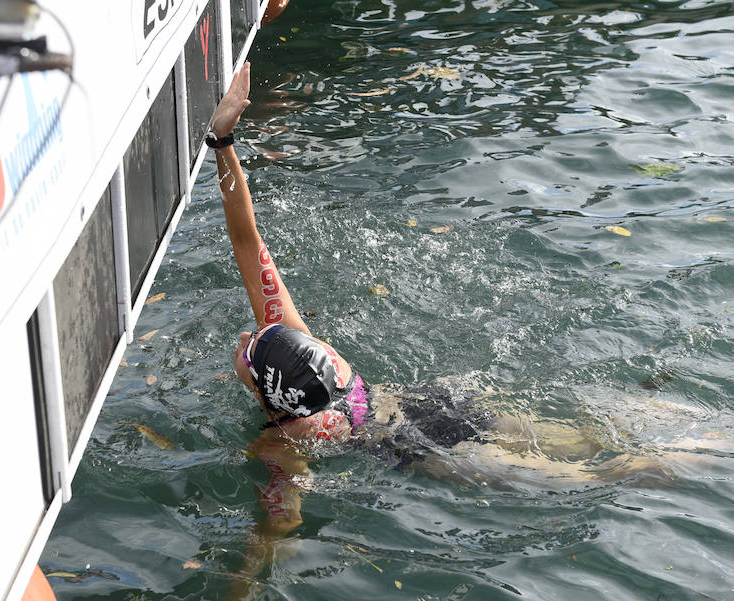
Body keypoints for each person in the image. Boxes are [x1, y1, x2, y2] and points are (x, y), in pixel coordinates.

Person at [208, 63, 727, 599]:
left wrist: (242, 578)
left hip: (431, 448)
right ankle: (709, 431)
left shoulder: (283, 438)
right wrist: (222, 141)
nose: (248, 339)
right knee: (587, 440)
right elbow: (250, 244)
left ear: (274, 393)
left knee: (605, 476)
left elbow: (282, 524)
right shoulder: (314, 353)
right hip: (443, 401)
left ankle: (700, 462)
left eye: (250, 351)